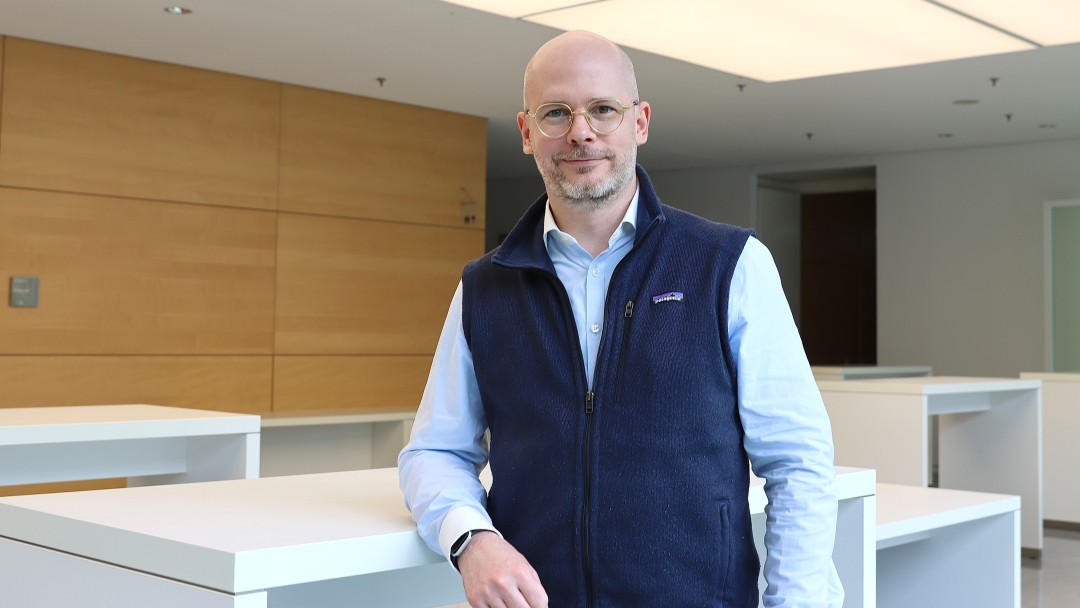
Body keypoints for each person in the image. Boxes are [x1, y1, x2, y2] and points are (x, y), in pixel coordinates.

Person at [399, 29, 843, 608]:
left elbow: (798, 462)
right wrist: (472, 538)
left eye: (603, 109)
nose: (580, 132)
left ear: (639, 122)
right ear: (527, 133)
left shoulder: (729, 265)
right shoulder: (485, 288)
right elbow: (435, 452)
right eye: (556, 112)